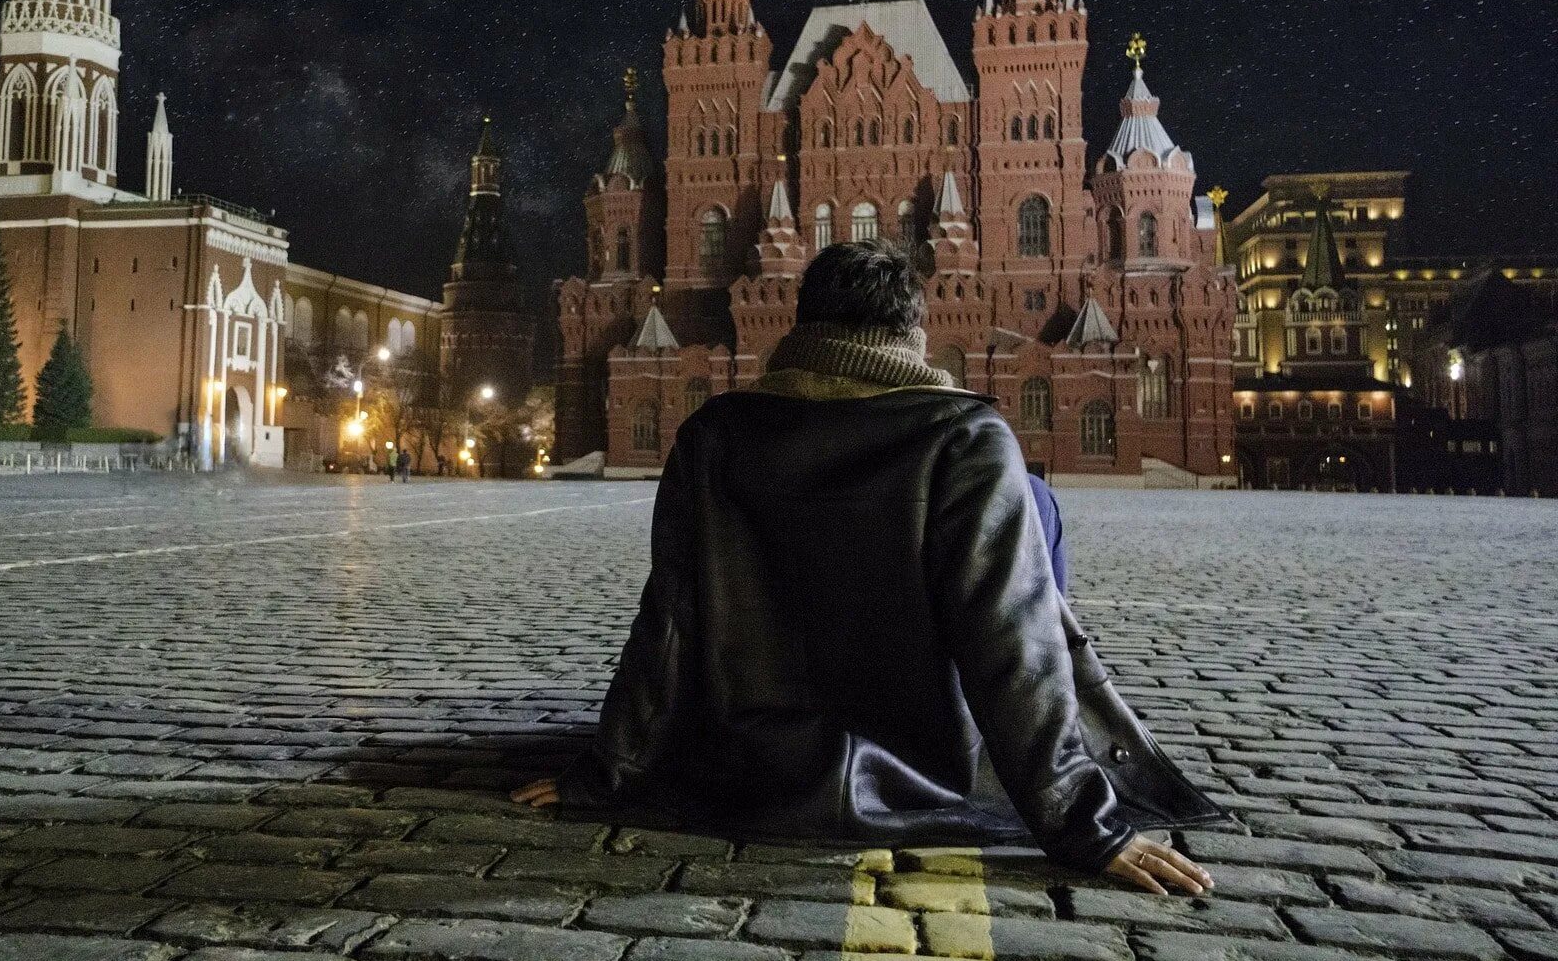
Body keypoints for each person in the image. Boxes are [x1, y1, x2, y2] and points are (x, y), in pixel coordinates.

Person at [514, 239, 1219, 895]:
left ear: (802, 325)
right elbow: (1015, 640)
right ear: (914, 331)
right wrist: (1079, 821)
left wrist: (611, 773)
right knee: (1038, 506)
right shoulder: (968, 438)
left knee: (1030, 502)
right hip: (925, 771)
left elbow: (668, 621)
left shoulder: (713, 434)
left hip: (755, 766)